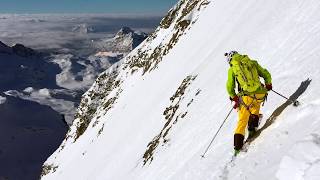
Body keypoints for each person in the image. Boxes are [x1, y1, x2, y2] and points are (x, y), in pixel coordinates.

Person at [225, 51, 272, 155]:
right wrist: (268, 84)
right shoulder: (252, 62)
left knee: (242, 119)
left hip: (246, 96)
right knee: (255, 108)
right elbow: (265, 73)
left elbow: (229, 86)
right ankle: (252, 129)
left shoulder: (232, 69)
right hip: (259, 93)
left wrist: (234, 97)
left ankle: (237, 147)